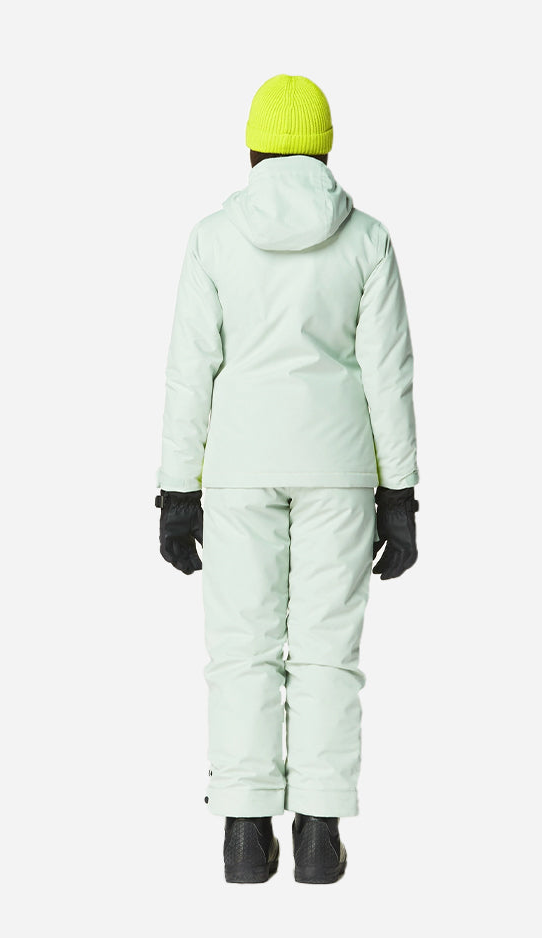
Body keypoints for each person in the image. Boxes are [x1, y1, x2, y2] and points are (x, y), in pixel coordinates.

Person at [155, 74, 419, 884]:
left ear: (252, 149)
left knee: (241, 648)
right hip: (340, 468)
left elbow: (190, 371)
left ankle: (243, 833)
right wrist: (400, 496)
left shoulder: (214, 238)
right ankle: (318, 837)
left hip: (238, 470)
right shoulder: (367, 239)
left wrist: (177, 492)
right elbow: (389, 377)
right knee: (327, 650)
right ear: (326, 149)